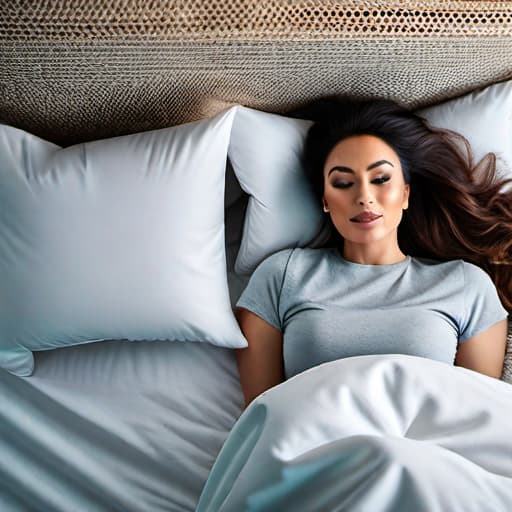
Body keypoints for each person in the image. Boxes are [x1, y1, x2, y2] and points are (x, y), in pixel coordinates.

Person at [234, 96, 512, 410]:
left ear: (406, 192)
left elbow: (478, 420)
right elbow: (258, 416)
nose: (364, 196)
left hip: (423, 455)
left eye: (380, 179)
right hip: (313, 452)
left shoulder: (466, 285)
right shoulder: (282, 276)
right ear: (325, 200)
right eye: (342, 183)